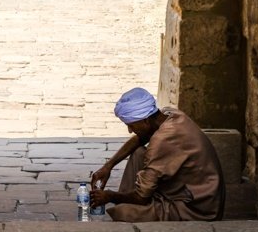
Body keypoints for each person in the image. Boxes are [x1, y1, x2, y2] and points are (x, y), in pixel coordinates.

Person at [90, 87, 225, 222]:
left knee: (122, 212)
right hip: (185, 188)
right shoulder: (169, 114)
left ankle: (127, 202)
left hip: (196, 207)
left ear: (146, 121)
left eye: (131, 125)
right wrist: (108, 166)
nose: (130, 130)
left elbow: (141, 198)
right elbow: (140, 138)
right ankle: (127, 199)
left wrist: (110, 196)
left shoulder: (162, 140)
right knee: (138, 153)